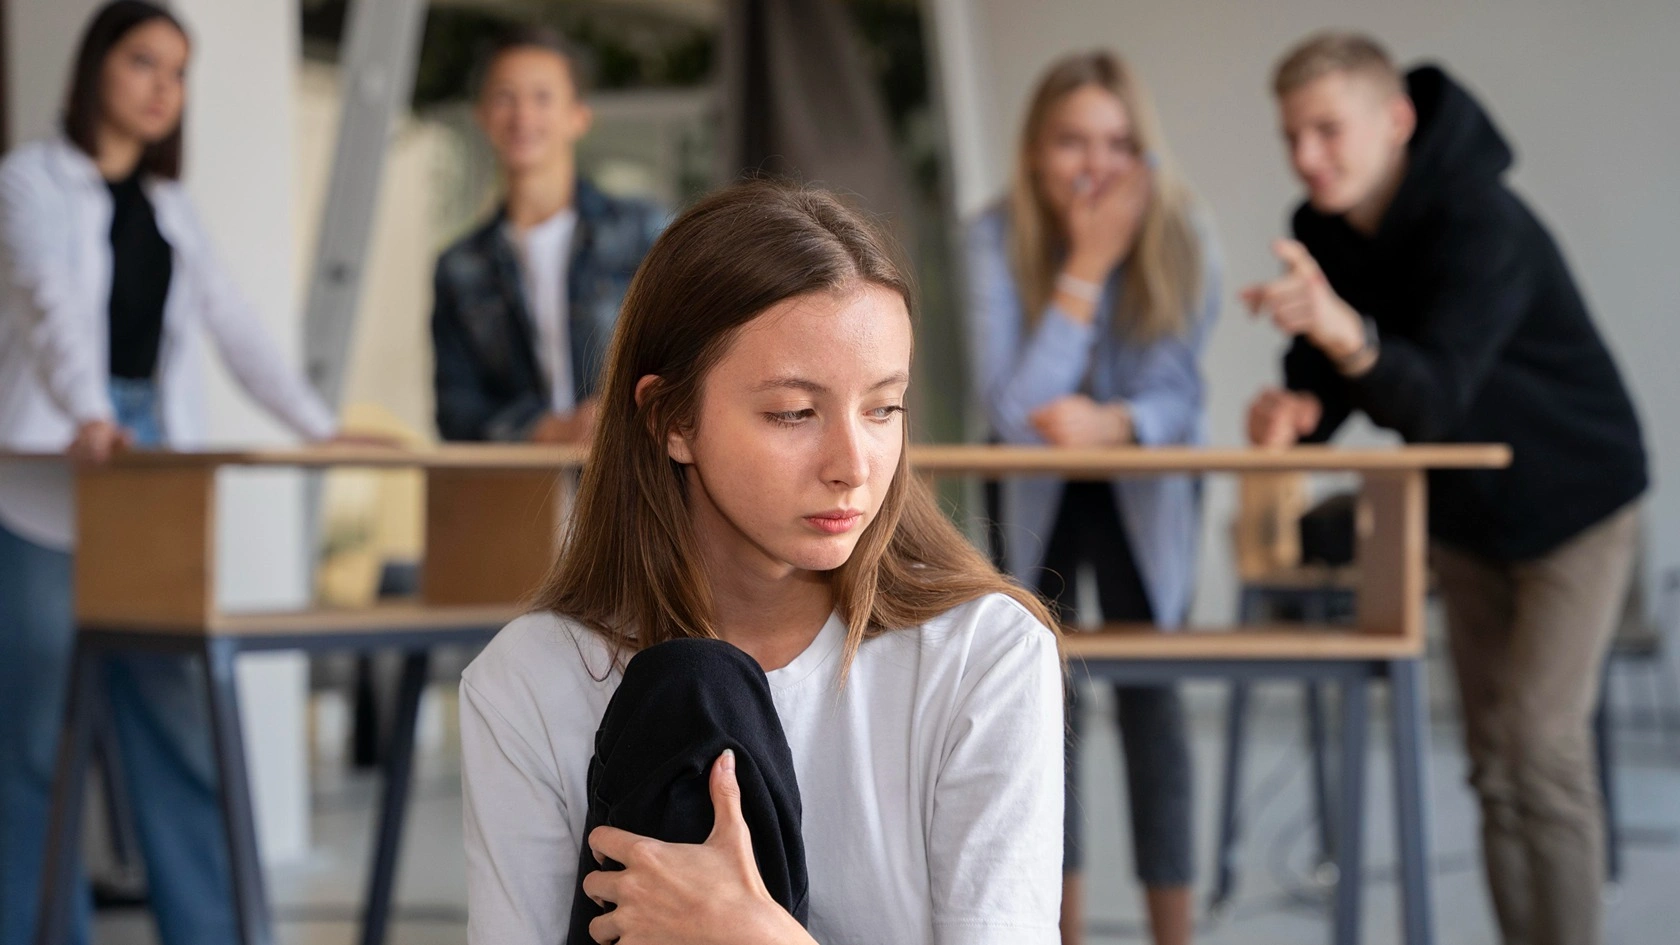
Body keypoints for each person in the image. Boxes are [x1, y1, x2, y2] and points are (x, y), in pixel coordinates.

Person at [458, 180, 1065, 945]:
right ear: (672, 419)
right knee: (684, 688)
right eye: (794, 413)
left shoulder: (985, 655)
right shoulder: (527, 679)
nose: (853, 464)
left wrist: (752, 935)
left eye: (883, 407)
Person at [1243, 32, 1647, 945]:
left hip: (1577, 504)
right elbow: (1336, 375)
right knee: (1491, 763)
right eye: (1292, 136)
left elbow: (1433, 394)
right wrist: (1299, 409)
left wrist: (1346, 335)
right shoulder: (1323, 229)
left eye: (1327, 130)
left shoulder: (1482, 221)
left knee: (1539, 749)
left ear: (1396, 120)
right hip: (1465, 512)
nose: (1306, 156)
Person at [0, 3, 349, 944]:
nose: (164, 87)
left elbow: (236, 325)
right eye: (143, 62)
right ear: (95, 69)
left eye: (179, 71)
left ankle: (215, 931)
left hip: (151, 473)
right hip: (47, 479)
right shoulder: (29, 181)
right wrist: (89, 411)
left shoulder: (170, 207)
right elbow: (48, 304)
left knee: (179, 722)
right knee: (32, 740)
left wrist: (322, 429)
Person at [965, 51, 1217, 945]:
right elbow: (1013, 408)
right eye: (1072, 140)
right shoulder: (992, 237)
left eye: (1116, 142)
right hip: (1034, 494)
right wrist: (1087, 266)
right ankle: (1057, 931)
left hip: (1143, 491)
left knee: (1154, 706)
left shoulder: (1183, 233)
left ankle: (1173, 934)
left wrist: (1114, 423)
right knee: (1041, 705)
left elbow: (1179, 394)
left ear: (1143, 151)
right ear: (1035, 151)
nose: (1095, 165)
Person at [431, 25, 664, 444]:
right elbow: (455, 411)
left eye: (542, 97)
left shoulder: (644, 233)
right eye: (505, 97)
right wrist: (551, 429)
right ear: (482, 116)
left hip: (633, 470)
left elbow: (691, 357)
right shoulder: (460, 267)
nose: (523, 116)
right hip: (524, 481)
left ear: (579, 117)